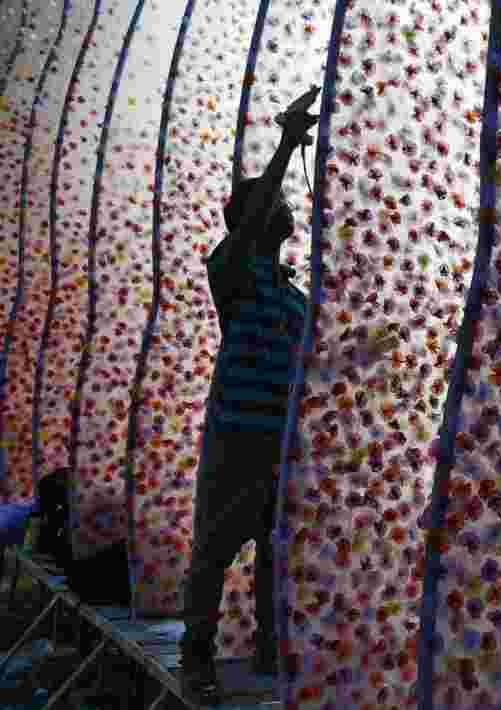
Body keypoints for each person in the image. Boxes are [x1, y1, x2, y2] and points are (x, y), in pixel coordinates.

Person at [178, 89, 319, 706]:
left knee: (271, 549)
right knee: (213, 545)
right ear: (249, 220)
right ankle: (197, 656)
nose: (284, 204)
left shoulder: (290, 296)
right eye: (272, 200)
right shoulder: (232, 270)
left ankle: (267, 648)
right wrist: (288, 141)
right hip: (237, 436)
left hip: (276, 441)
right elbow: (259, 208)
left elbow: (316, 363)